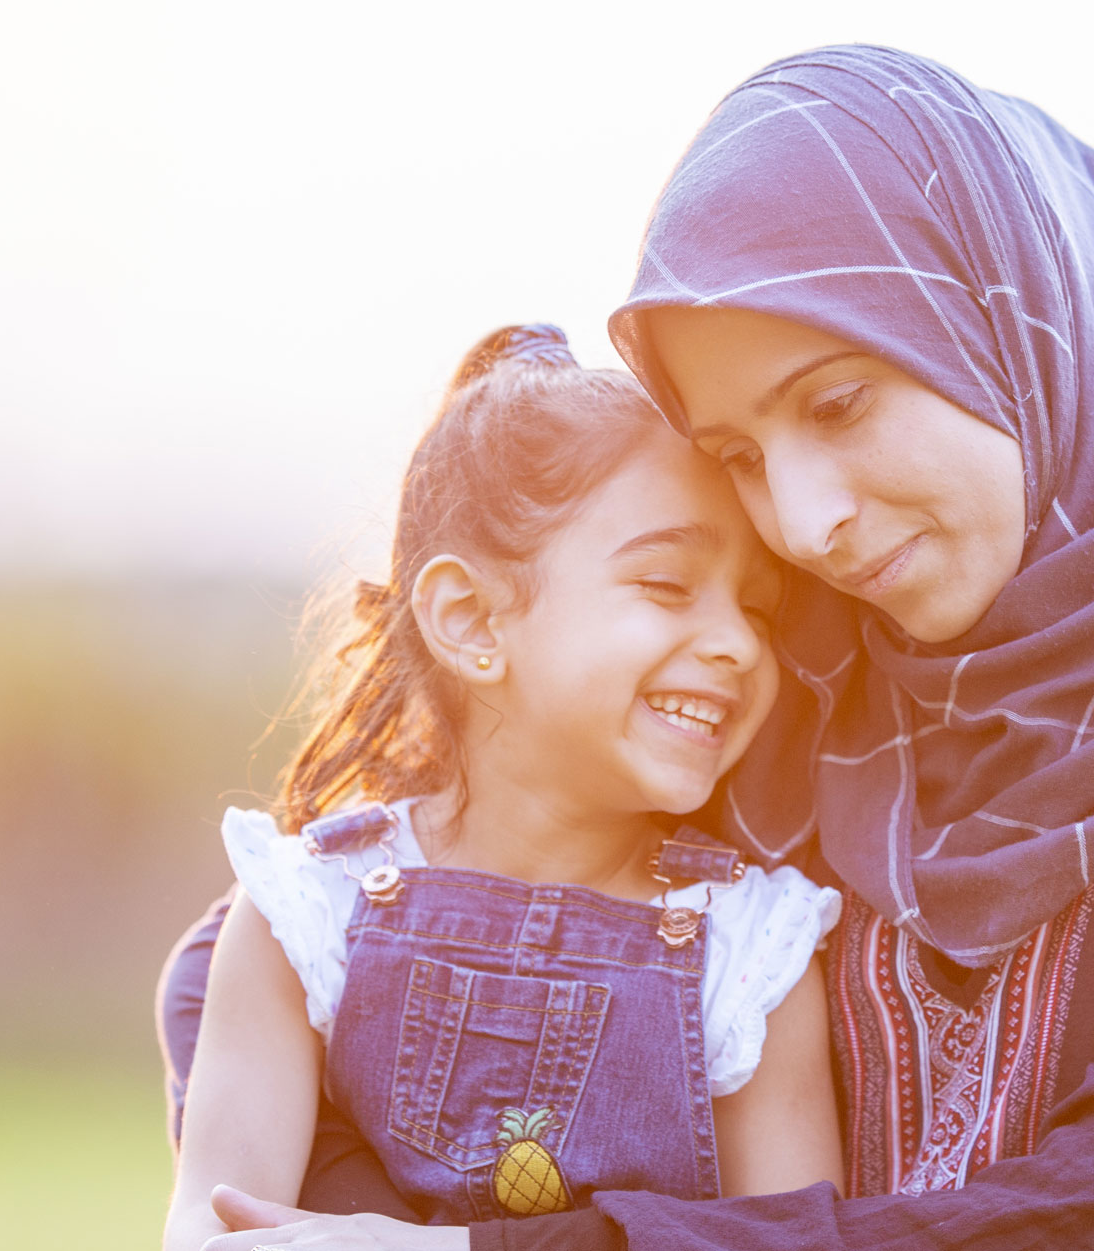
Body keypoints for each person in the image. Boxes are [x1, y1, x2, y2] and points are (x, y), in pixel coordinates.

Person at [162, 46, 1094, 1251]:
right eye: (741, 455)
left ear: (1005, 318)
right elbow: (301, 944)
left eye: (843, 401)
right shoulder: (802, 656)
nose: (805, 521)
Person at [163, 325, 845, 1249]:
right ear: (471, 619)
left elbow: (789, 1242)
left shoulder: (752, 954)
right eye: (667, 583)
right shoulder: (304, 916)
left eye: (758, 607)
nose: (738, 642)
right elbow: (217, 1234)